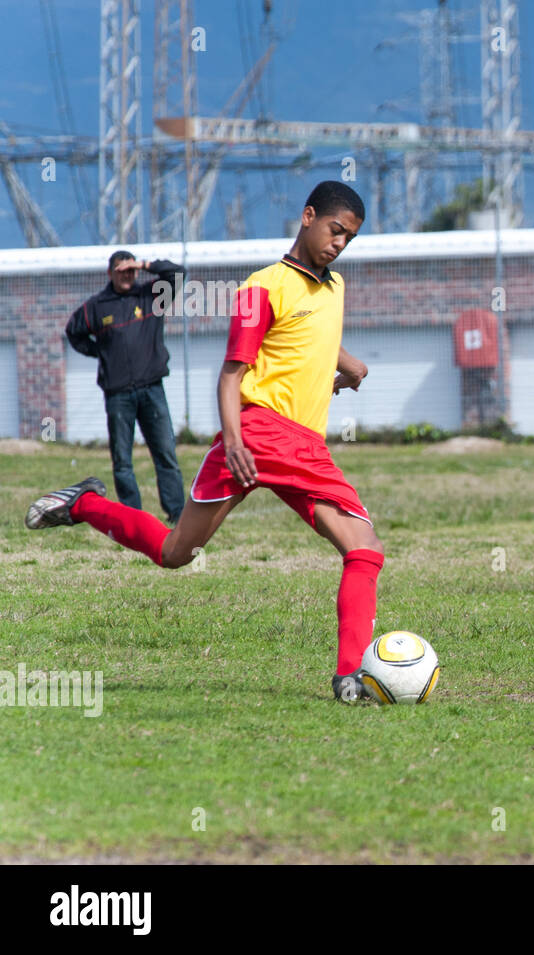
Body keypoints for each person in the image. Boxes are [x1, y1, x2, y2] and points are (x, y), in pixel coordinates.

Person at [27, 181, 382, 704]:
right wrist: (235, 441)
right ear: (308, 216)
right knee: (358, 548)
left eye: (349, 238)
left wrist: (350, 366)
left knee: (181, 553)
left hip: (301, 445)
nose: (339, 244)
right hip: (261, 437)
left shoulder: (335, 287)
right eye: (334, 231)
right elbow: (231, 375)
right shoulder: (262, 287)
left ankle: (85, 504)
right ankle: (351, 677)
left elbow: (312, 337)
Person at [66, 252, 186, 524]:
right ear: (110, 274)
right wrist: (101, 353)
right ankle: (133, 517)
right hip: (118, 394)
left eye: (131, 271)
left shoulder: (152, 296)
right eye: (122, 271)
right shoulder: (96, 306)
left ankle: (177, 514)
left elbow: (178, 273)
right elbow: (73, 331)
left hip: (152, 389)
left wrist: (145, 264)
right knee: (122, 461)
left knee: (165, 454)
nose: (127, 276)